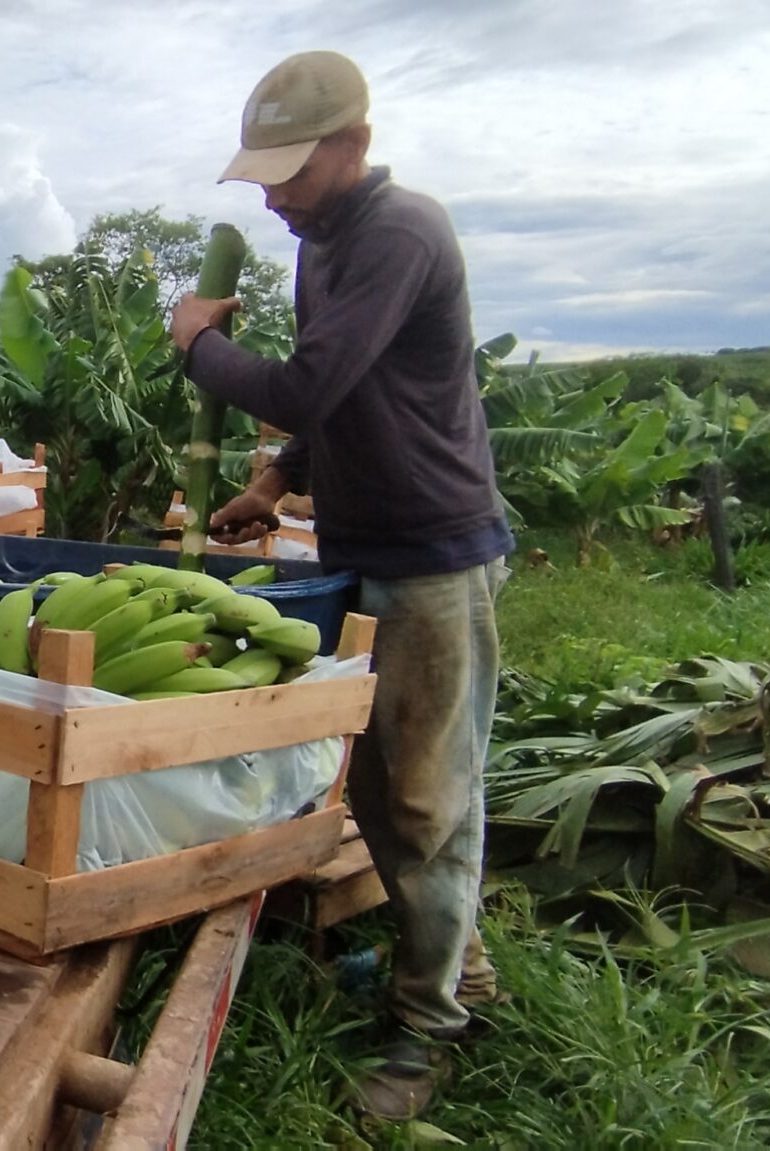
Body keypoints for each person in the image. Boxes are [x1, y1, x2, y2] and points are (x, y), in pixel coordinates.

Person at [168, 50, 512, 1122]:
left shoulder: (399, 230)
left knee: (423, 794)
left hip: (432, 551)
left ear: (351, 147)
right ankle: (453, 971)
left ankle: (430, 1029)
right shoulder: (326, 245)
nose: (271, 198)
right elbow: (336, 403)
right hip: (359, 546)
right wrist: (275, 481)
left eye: (289, 175)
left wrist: (200, 346)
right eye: (261, 177)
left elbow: (305, 380)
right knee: (381, 784)